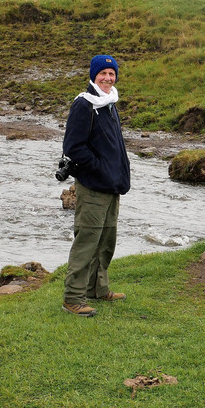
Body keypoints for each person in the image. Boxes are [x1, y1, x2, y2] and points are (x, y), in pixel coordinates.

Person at [60, 54, 131, 317]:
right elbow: (74, 148)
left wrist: (119, 175)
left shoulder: (110, 103)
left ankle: (97, 289)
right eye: (103, 74)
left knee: (106, 241)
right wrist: (100, 170)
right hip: (92, 186)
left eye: (112, 74)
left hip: (112, 186)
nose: (108, 78)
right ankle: (72, 298)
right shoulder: (84, 104)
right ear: (93, 75)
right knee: (87, 241)